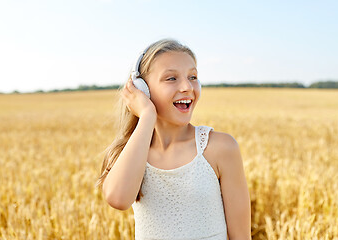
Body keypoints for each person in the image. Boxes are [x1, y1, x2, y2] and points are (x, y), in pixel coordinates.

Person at [95, 38, 251, 240]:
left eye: (193, 77)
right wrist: (147, 116)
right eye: (171, 79)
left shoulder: (219, 148)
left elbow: (241, 236)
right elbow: (118, 199)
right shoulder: (131, 153)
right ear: (143, 90)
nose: (187, 86)